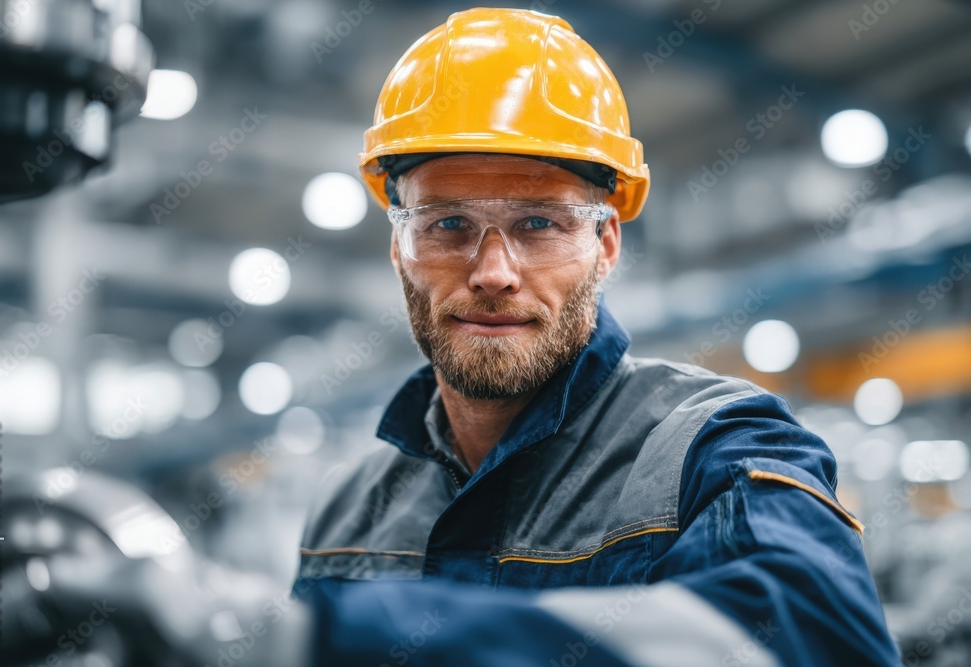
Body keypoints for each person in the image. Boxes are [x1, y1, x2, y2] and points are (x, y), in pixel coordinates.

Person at [290, 7, 900, 666]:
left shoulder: (719, 450)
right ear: (398, 247)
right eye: (448, 224)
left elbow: (810, 643)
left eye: (538, 224)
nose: (493, 273)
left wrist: (346, 632)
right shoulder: (348, 507)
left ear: (605, 244)